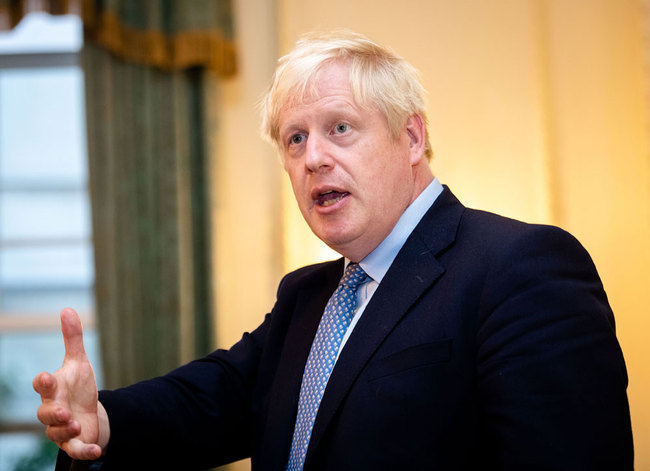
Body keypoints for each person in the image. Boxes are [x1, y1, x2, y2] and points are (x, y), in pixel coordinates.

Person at [34, 30, 633, 470]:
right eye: (295, 139)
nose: (313, 157)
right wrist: (102, 420)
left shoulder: (522, 265)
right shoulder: (308, 294)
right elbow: (216, 397)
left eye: (339, 128)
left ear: (413, 137)